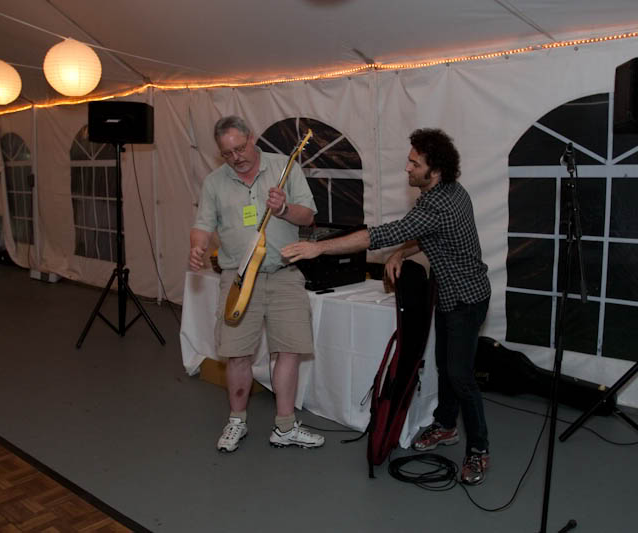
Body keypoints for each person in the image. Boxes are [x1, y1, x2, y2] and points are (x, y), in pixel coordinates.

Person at [282, 128, 491, 484]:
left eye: (415, 163)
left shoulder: (439, 204)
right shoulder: (447, 191)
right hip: (450, 294)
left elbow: (379, 235)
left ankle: (479, 449)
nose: (407, 168)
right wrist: (401, 253)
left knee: (460, 375)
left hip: (467, 299)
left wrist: (319, 247)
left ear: (435, 169)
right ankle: (445, 425)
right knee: (445, 366)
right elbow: (424, 232)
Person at [189, 115, 324, 453]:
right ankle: (237, 420)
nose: (236, 157)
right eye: (227, 153)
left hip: (284, 274)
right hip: (237, 278)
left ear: (252, 138)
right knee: (237, 353)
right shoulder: (214, 182)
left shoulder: (284, 167)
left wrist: (284, 209)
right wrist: (197, 246)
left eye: (240, 148)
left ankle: (285, 426)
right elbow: (203, 224)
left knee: (289, 350)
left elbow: (308, 215)